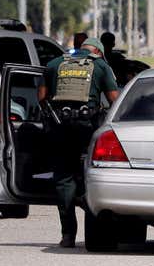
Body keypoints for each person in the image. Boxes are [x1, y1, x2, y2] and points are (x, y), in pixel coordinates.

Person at [38, 37, 120, 248]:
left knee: (63, 180)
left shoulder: (55, 64)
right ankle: (95, 223)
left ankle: (68, 235)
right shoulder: (101, 65)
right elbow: (114, 100)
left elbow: (41, 97)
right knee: (91, 176)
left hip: (60, 128)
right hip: (87, 130)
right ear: (98, 52)